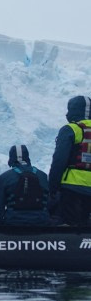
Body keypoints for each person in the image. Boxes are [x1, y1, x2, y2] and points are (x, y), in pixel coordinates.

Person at [48, 96, 91, 226]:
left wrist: (53, 186)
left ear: (74, 110)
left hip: (72, 187)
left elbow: (59, 160)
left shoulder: (71, 129)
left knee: (71, 226)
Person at [0, 145, 50, 225]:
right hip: (40, 223)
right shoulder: (43, 176)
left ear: (11, 158)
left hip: (13, 224)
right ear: (27, 157)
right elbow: (50, 202)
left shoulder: (4, 178)